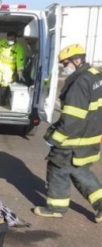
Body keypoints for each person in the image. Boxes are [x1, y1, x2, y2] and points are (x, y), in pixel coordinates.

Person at [33, 44, 102, 222]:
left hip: (74, 138)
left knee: (58, 167)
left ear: (77, 60)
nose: (65, 66)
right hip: (90, 135)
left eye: (66, 63)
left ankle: (56, 207)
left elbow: (72, 118)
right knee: (80, 172)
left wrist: (55, 138)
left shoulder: (79, 83)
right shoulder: (95, 76)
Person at [0, 31, 25, 105]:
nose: (9, 40)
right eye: (8, 38)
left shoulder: (18, 48)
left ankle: (2, 100)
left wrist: (20, 72)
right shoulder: (2, 42)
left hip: (9, 67)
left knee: (6, 83)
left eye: (11, 39)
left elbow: (19, 61)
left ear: (15, 38)